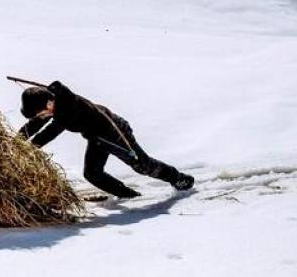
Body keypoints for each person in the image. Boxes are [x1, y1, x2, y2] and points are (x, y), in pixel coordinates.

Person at [18, 81, 194, 198]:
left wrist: (30, 147)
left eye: (42, 113)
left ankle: (179, 178)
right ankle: (129, 196)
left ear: (49, 103)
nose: (42, 116)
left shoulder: (67, 108)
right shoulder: (54, 101)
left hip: (114, 134)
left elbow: (51, 131)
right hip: (97, 137)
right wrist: (16, 141)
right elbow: (36, 123)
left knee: (142, 165)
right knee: (92, 173)